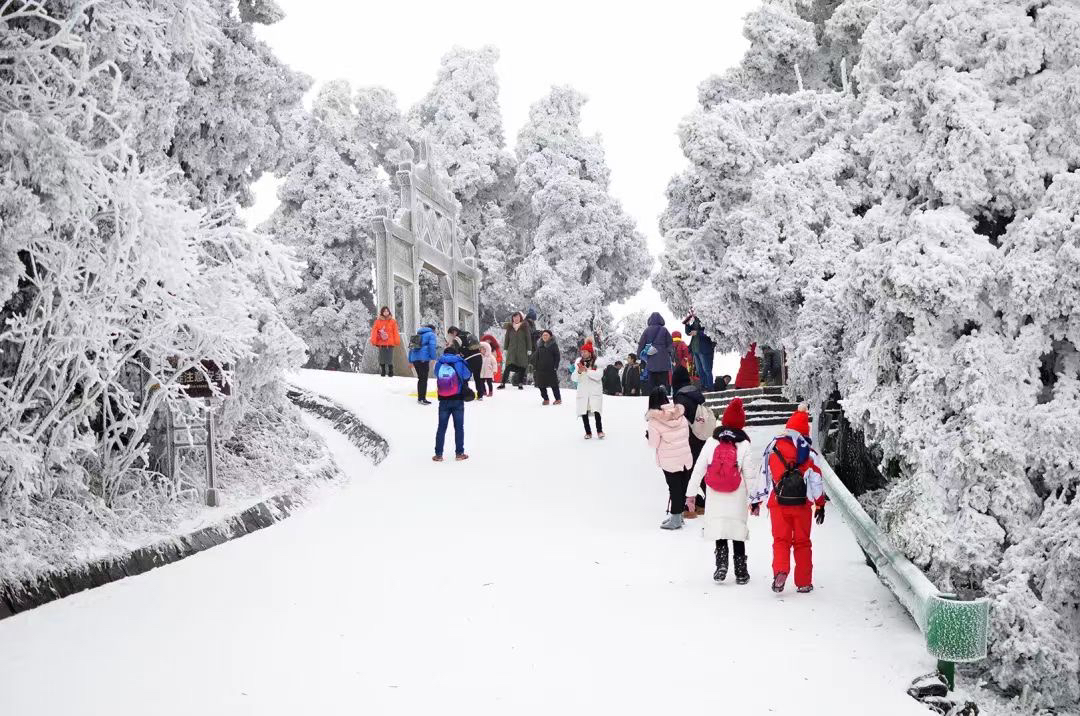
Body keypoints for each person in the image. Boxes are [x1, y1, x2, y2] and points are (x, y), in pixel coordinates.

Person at [751, 405, 826, 593]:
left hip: (778, 503)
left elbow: (763, 475)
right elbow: (816, 481)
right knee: (802, 542)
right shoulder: (809, 453)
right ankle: (804, 582)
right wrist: (820, 504)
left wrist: (756, 500)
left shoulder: (772, 448)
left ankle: (780, 571)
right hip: (802, 504)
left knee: (780, 540)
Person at [689, 398, 760, 584]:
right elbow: (750, 474)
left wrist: (691, 493)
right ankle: (741, 571)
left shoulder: (712, 441)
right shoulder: (743, 444)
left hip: (715, 493)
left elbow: (699, 468)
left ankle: (721, 566)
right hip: (736, 494)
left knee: (720, 530)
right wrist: (754, 500)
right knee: (737, 531)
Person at [645, 388, 693, 530]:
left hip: (669, 460)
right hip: (685, 457)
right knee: (682, 486)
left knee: (674, 488)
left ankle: (676, 518)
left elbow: (654, 444)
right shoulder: (680, 414)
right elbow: (686, 434)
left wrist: (648, 436)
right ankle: (678, 516)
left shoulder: (654, 421)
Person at [432, 344, 472, 462]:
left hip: (443, 400)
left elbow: (436, 374)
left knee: (441, 428)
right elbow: (467, 375)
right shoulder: (460, 361)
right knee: (459, 427)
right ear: (455, 353)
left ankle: (438, 454)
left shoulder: (439, 363)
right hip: (457, 399)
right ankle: (459, 453)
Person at [571, 341, 604, 439]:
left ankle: (600, 431)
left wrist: (587, 371)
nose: (583, 353)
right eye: (582, 352)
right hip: (583, 391)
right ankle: (588, 432)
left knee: (596, 411)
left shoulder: (597, 363)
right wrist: (579, 372)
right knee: (584, 411)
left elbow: (598, 376)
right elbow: (574, 378)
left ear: (590, 352)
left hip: (594, 391)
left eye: (585, 351)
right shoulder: (579, 363)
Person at [637, 312, 673, 394]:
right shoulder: (664, 330)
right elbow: (670, 344)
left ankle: (653, 400)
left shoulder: (647, 330)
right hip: (663, 360)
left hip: (652, 359)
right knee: (663, 382)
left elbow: (641, 343)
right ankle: (663, 399)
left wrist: (639, 355)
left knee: (652, 383)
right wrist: (669, 352)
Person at [447, 326, 485, 402]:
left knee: (464, 378)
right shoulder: (468, 333)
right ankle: (480, 395)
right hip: (478, 357)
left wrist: (449, 346)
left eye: (451, 335)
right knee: (477, 377)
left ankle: (466, 395)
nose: (451, 336)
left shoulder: (458, 338)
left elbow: (455, 350)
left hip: (470, 359)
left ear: (454, 332)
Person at [683, 310, 716, 391]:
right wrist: (687, 324)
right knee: (699, 370)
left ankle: (710, 387)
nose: (692, 313)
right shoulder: (696, 321)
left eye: (693, 311)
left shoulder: (706, 319)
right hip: (696, 349)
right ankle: (703, 386)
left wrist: (697, 332)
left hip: (704, 349)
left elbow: (710, 333)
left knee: (706, 370)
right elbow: (688, 332)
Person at [500, 312, 532, 390]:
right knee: (508, 366)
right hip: (512, 350)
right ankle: (502, 383)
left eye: (517, 317)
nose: (516, 319)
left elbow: (528, 338)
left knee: (522, 367)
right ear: (512, 319)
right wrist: (505, 348)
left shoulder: (524, 327)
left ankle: (520, 383)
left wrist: (529, 349)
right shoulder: (510, 327)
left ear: (520, 318)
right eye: (514, 317)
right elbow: (507, 338)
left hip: (522, 350)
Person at [407, 323, 437, 405]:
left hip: (415, 358)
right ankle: (422, 399)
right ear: (433, 330)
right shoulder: (431, 335)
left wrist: (410, 361)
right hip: (423, 359)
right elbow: (432, 346)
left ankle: (420, 398)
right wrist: (433, 358)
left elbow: (411, 348)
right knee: (424, 379)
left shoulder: (417, 334)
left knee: (421, 378)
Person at [532, 329, 562, 405]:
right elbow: (536, 356)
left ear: (550, 336)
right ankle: (546, 399)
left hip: (551, 368)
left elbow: (557, 356)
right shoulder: (539, 345)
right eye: (543, 335)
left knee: (554, 385)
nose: (545, 336)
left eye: (546, 335)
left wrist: (556, 366)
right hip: (540, 369)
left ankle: (558, 399)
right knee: (541, 385)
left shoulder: (553, 345)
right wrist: (534, 365)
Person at [370, 306, 401, 377]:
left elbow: (395, 332)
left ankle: (390, 371)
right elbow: (374, 331)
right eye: (384, 311)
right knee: (381, 358)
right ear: (382, 312)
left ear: (389, 312)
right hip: (381, 342)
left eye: (387, 311)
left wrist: (397, 341)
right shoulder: (377, 321)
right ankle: (383, 371)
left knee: (389, 358)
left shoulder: (393, 321)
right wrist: (374, 340)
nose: (386, 313)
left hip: (390, 342)